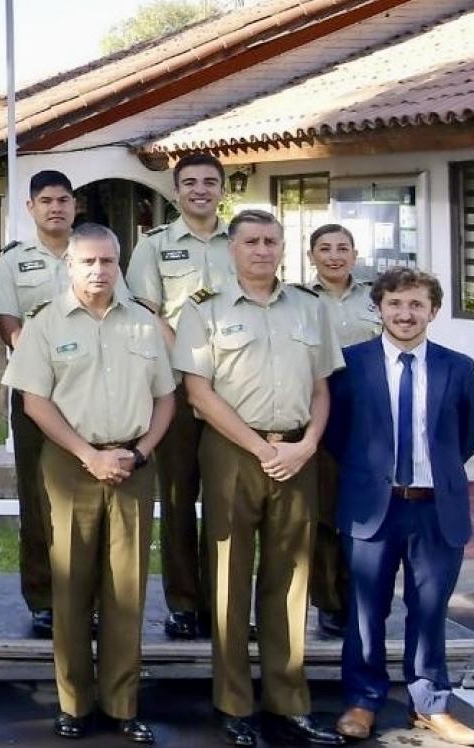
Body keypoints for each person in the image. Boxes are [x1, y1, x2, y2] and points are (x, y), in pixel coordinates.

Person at [173, 209, 344, 748]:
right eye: (252, 242)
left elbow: (321, 388)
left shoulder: (310, 308)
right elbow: (199, 393)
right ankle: (234, 702)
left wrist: (307, 445)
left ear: (282, 248)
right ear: (233, 249)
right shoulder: (204, 309)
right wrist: (261, 448)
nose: (263, 250)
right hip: (233, 452)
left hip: (296, 452)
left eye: (271, 241)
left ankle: (288, 702)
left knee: (290, 579)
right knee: (228, 578)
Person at [4, 224, 175, 744]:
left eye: (107, 261)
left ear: (119, 265)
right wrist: (88, 455)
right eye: (88, 262)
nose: (99, 270)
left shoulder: (143, 324)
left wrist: (138, 453)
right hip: (70, 465)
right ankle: (74, 703)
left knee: (127, 590)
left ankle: (122, 704)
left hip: (131, 465)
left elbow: (166, 397)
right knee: (71, 587)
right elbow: (35, 402)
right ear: (70, 266)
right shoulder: (45, 323)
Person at [328, 269, 474, 746]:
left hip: (435, 508)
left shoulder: (460, 367)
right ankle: (362, 701)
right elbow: (336, 433)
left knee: (428, 610)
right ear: (380, 309)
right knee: (365, 612)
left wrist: (438, 472)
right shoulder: (351, 365)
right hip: (372, 507)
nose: (405, 314)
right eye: (395, 304)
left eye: (416, 305)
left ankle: (430, 704)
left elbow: (466, 434)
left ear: (433, 311)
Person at [125, 152, 234, 641]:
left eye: (209, 182)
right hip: (176, 388)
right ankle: (185, 603)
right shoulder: (154, 246)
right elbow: (147, 313)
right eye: (189, 182)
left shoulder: (242, 240)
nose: (200, 190)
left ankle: (224, 603)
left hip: (233, 390)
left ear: (222, 189)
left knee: (229, 502)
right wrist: (192, 361)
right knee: (178, 497)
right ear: (176, 191)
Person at [0, 169, 77, 638]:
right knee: (38, 498)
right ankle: (42, 598)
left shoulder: (95, 253)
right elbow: (10, 327)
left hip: (89, 395)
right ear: (31, 208)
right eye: (46, 201)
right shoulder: (14, 262)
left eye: (63, 200)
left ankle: (85, 597)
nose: (55, 208)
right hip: (35, 392)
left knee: (86, 498)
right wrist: (49, 369)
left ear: (74, 205)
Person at [305, 224, 381, 640]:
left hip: (371, 414)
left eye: (342, 248)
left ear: (355, 254)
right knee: (325, 512)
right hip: (321, 408)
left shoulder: (376, 296)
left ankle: (362, 596)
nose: (334, 256)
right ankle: (329, 602)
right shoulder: (298, 300)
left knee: (369, 512)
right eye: (324, 248)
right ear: (311, 255)